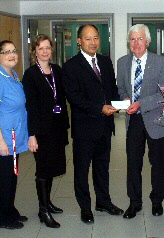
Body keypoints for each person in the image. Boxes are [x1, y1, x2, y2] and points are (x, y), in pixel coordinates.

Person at [62, 24, 123, 224]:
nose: (93, 42)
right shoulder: (71, 66)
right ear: (79, 41)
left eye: (96, 38)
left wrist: (120, 103)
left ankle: (103, 202)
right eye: (88, 38)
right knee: (81, 169)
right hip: (84, 128)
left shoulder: (105, 62)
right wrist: (99, 108)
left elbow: (111, 89)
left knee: (102, 167)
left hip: (105, 126)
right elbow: (74, 97)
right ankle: (85, 207)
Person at [117, 24, 164, 219]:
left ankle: (157, 201)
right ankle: (134, 202)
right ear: (128, 43)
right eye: (132, 39)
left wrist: (141, 103)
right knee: (133, 163)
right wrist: (125, 99)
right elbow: (121, 87)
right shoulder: (122, 62)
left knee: (157, 163)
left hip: (155, 119)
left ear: (147, 42)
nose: (136, 43)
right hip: (133, 120)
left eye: (140, 39)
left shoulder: (161, 62)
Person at [22, 34, 70, 228]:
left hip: (57, 128)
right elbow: (30, 106)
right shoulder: (31, 74)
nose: (44, 51)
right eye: (40, 48)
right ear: (35, 52)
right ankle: (43, 210)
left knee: (52, 167)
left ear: (52, 50)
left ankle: (48, 202)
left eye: (47, 47)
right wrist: (31, 134)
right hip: (41, 130)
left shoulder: (57, 70)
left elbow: (63, 97)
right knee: (43, 168)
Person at [0, 40, 28, 229]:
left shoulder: (13, 74)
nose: (12, 55)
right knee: (2, 180)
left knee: (12, 176)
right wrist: (1, 142)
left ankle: (9, 210)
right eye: (6, 52)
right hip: (1, 138)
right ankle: (1, 218)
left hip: (14, 136)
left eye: (14, 51)